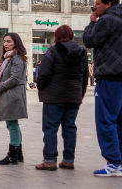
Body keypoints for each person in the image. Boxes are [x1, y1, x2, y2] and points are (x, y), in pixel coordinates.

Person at [83, 0, 122, 177]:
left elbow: (89, 40)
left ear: (108, 4)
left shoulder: (108, 20)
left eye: (97, 3)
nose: (94, 6)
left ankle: (113, 163)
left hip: (109, 75)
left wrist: (92, 22)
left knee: (106, 120)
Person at [35, 25, 89, 171]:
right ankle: (69, 160)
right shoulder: (82, 53)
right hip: (73, 96)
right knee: (70, 128)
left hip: (53, 97)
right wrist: (80, 94)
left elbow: (43, 74)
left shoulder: (52, 51)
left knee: (50, 128)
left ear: (57, 37)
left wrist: (41, 87)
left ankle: (50, 160)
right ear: (71, 36)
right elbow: (85, 77)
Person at [0, 33, 28, 166]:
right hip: (9, 94)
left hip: (13, 96)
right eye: (4, 41)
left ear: (16, 43)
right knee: (13, 123)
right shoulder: (9, 58)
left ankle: (12, 156)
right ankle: (18, 154)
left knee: (12, 124)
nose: (6, 44)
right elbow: (5, 77)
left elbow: (15, 79)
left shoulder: (16, 58)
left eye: (9, 41)